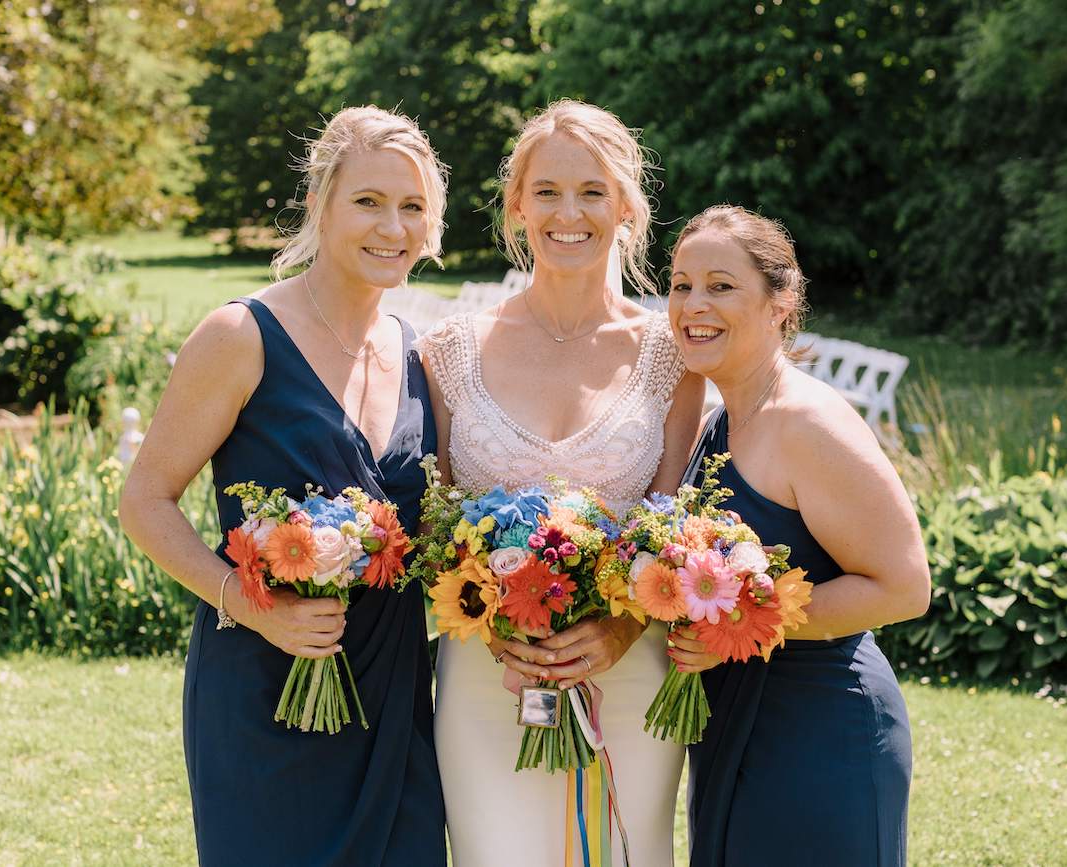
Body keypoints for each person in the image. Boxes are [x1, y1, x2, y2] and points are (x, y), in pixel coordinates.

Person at [119, 106, 449, 867]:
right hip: (264, 685)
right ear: (320, 204)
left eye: (412, 207)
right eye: (369, 201)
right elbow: (144, 501)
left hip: (392, 692)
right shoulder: (239, 337)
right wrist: (251, 608)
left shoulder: (418, 355)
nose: (391, 227)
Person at [420, 99, 706, 867]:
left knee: (626, 851)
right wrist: (496, 626)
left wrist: (617, 629)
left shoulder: (671, 357)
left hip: (630, 668)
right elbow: (434, 526)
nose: (568, 213)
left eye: (591, 191)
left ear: (625, 206)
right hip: (487, 677)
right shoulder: (450, 352)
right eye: (546, 190)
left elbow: (673, 530)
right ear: (516, 204)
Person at [665, 204, 931, 866]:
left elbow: (903, 586)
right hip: (738, 725)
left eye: (721, 285)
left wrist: (741, 620)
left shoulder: (807, 423)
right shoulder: (723, 421)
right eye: (680, 284)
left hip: (821, 730)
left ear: (781, 302)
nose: (694, 303)